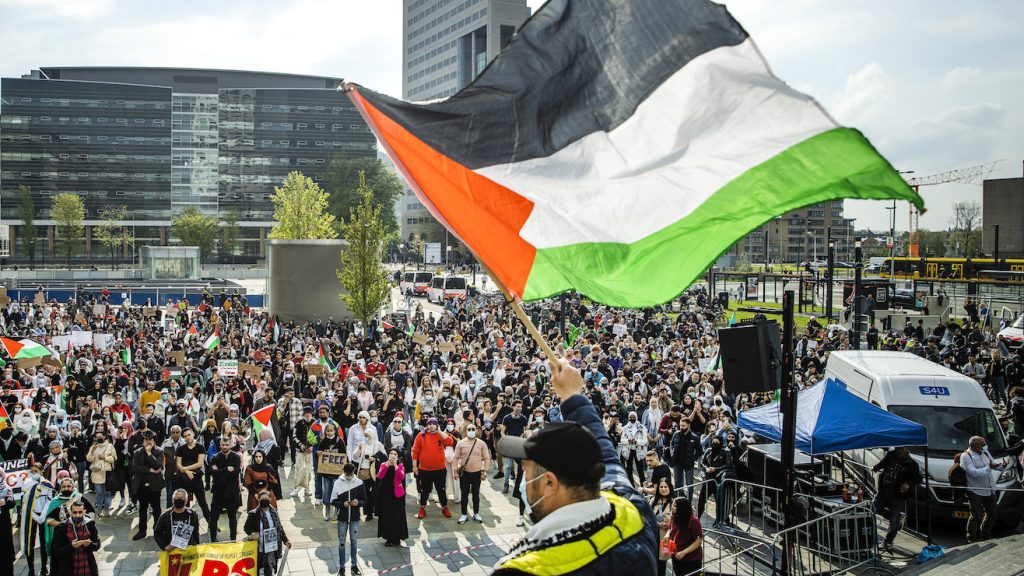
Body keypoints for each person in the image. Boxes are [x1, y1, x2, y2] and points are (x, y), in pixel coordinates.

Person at [491, 355, 658, 575]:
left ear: (549, 483)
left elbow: (605, 454)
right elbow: (606, 455)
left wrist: (572, 395)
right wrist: (572, 396)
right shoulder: (633, 509)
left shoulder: (524, 569)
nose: (523, 482)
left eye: (527, 473)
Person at [871, 446, 921, 551]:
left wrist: (908, 483)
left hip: (897, 495)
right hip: (884, 490)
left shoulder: (911, 464)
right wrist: (876, 467)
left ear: (906, 449)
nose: (898, 451)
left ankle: (888, 541)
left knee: (894, 523)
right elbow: (883, 463)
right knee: (872, 509)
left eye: (901, 450)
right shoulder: (891, 455)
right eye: (897, 449)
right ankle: (897, 519)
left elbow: (918, 478)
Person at [960, 435, 1007, 542]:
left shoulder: (985, 452)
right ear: (976, 446)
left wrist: (1002, 466)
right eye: (983, 444)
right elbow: (974, 473)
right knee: (975, 515)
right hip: (975, 490)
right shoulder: (966, 456)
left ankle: (985, 535)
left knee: (993, 514)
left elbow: (994, 465)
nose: (986, 446)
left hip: (989, 489)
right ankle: (971, 537)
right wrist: (989, 468)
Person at [411, 417, 454, 519]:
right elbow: (415, 451)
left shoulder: (441, 435)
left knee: (441, 490)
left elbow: (450, 442)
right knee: (424, 491)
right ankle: (422, 509)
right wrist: (414, 467)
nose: (431, 425)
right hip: (425, 469)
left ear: (437, 425)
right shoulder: (421, 435)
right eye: (429, 423)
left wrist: (440, 432)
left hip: (440, 469)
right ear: (427, 425)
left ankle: (444, 508)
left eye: (434, 423)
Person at [330, 462, 366, 576]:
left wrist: (358, 503)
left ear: (353, 472)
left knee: (354, 541)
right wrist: (342, 504)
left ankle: (354, 566)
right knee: (341, 542)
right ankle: (342, 567)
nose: (349, 476)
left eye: (350, 474)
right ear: (344, 472)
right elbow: (332, 500)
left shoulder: (359, 483)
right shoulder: (338, 483)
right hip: (342, 517)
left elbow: (364, 500)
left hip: (354, 517)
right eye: (347, 474)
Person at [244, 488, 291, 576]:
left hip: (271, 549)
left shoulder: (274, 512)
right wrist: (253, 533)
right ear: (258, 500)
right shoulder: (253, 514)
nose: (264, 501)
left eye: (266, 499)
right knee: (257, 570)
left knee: (269, 570)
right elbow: (246, 528)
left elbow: (279, 528)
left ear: (269, 500)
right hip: (259, 548)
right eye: (262, 500)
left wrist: (286, 540)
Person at [48, 501, 100, 576]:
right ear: (71, 512)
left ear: (84, 512)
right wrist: (71, 546)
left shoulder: (90, 525)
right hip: (68, 569)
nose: (77, 515)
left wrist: (89, 544)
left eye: (80, 512)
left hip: (87, 567)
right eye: (75, 512)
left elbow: (97, 544)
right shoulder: (62, 527)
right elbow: (56, 551)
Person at [130, 430, 165, 541]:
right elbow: (135, 467)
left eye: (150, 440)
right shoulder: (137, 452)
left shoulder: (159, 451)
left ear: (154, 441)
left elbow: (158, 465)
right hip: (141, 485)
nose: (148, 442)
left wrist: (150, 454)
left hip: (155, 485)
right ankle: (142, 530)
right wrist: (149, 469)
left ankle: (158, 529)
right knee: (142, 508)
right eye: (146, 439)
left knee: (156, 508)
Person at [452, 421, 490, 523]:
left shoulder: (482, 443)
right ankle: (464, 514)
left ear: (476, 431)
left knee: (476, 494)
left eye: (473, 429)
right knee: (464, 495)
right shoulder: (461, 443)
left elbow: (486, 458)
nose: (471, 431)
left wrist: (484, 472)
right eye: (469, 429)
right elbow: (455, 458)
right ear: (466, 431)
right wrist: (455, 471)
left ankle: (476, 513)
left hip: (477, 473)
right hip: (464, 474)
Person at [174, 428, 212, 529]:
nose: (187, 437)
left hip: (196, 479)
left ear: (193, 435)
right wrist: (186, 471)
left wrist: (185, 469)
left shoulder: (200, 447)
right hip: (184, 479)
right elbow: (178, 464)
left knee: (202, 502)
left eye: (189, 435)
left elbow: (199, 463)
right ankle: (184, 525)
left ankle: (211, 524)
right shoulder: (181, 448)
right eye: (185, 436)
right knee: (184, 503)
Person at [20, 461, 53, 576]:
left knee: (44, 542)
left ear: (41, 471)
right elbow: (25, 503)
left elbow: (49, 500)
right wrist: (33, 515)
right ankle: (31, 569)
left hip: (42, 515)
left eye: (36, 471)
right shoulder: (26, 483)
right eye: (32, 471)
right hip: (30, 516)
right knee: (30, 543)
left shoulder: (47, 484)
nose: (34, 473)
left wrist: (42, 516)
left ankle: (44, 567)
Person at [209, 437, 243, 542]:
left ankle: (233, 538)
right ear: (220, 445)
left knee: (232, 517)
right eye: (222, 445)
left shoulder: (236, 457)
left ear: (230, 445)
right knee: (214, 517)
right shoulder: (215, 457)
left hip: (232, 492)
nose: (224, 447)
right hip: (218, 492)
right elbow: (213, 473)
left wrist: (220, 471)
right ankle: (213, 538)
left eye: (226, 445)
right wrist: (226, 470)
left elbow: (236, 472)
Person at [376, 448, 409, 546]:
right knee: (386, 516)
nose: (393, 455)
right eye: (391, 453)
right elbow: (380, 476)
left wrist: (395, 466)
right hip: (386, 494)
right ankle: (388, 537)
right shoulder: (383, 464)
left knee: (396, 516)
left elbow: (401, 476)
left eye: (395, 454)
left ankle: (397, 538)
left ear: (397, 456)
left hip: (396, 494)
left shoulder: (400, 465)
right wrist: (386, 465)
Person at [668, 498, 703, 576]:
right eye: (673, 504)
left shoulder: (694, 521)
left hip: (691, 559)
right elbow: (671, 529)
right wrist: (667, 536)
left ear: (682, 508)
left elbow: (698, 541)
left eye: (675, 506)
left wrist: (684, 552)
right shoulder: (675, 517)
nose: (672, 507)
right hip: (676, 556)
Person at [86, 431, 116, 517]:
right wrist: (92, 451)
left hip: (107, 473)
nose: (98, 439)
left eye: (100, 437)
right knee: (99, 493)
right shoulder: (93, 447)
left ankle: (106, 510)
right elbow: (89, 459)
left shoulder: (110, 446)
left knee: (107, 493)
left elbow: (113, 459)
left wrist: (105, 458)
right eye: (96, 438)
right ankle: (99, 509)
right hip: (97, 473)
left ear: (104, 436)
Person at [649, 480, 674, 576]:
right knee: (653, 562)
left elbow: (679, 520)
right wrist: (656, 524)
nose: (663, 489)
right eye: (661, 487)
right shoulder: (653, 500)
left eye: (666, 487)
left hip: (666, 539)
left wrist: (670, 525)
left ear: (670, 488)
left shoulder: (674, 502)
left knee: (662, 563)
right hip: (653, 536)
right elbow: (647, 517)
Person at [0, 470, 16, 576]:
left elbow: (12, 503)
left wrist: (5, 502)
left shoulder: (6, 489)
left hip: (3, 524)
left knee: (6, 549)